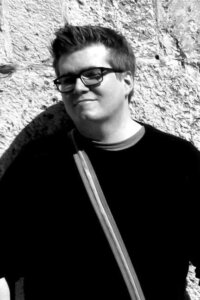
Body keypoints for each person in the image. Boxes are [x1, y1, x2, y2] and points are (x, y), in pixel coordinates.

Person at [0, 24, 200, 300]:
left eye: (93, 75)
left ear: (128, 80)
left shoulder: (177, 160)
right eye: (67, 79)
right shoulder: (37, 165)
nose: (78, 87)